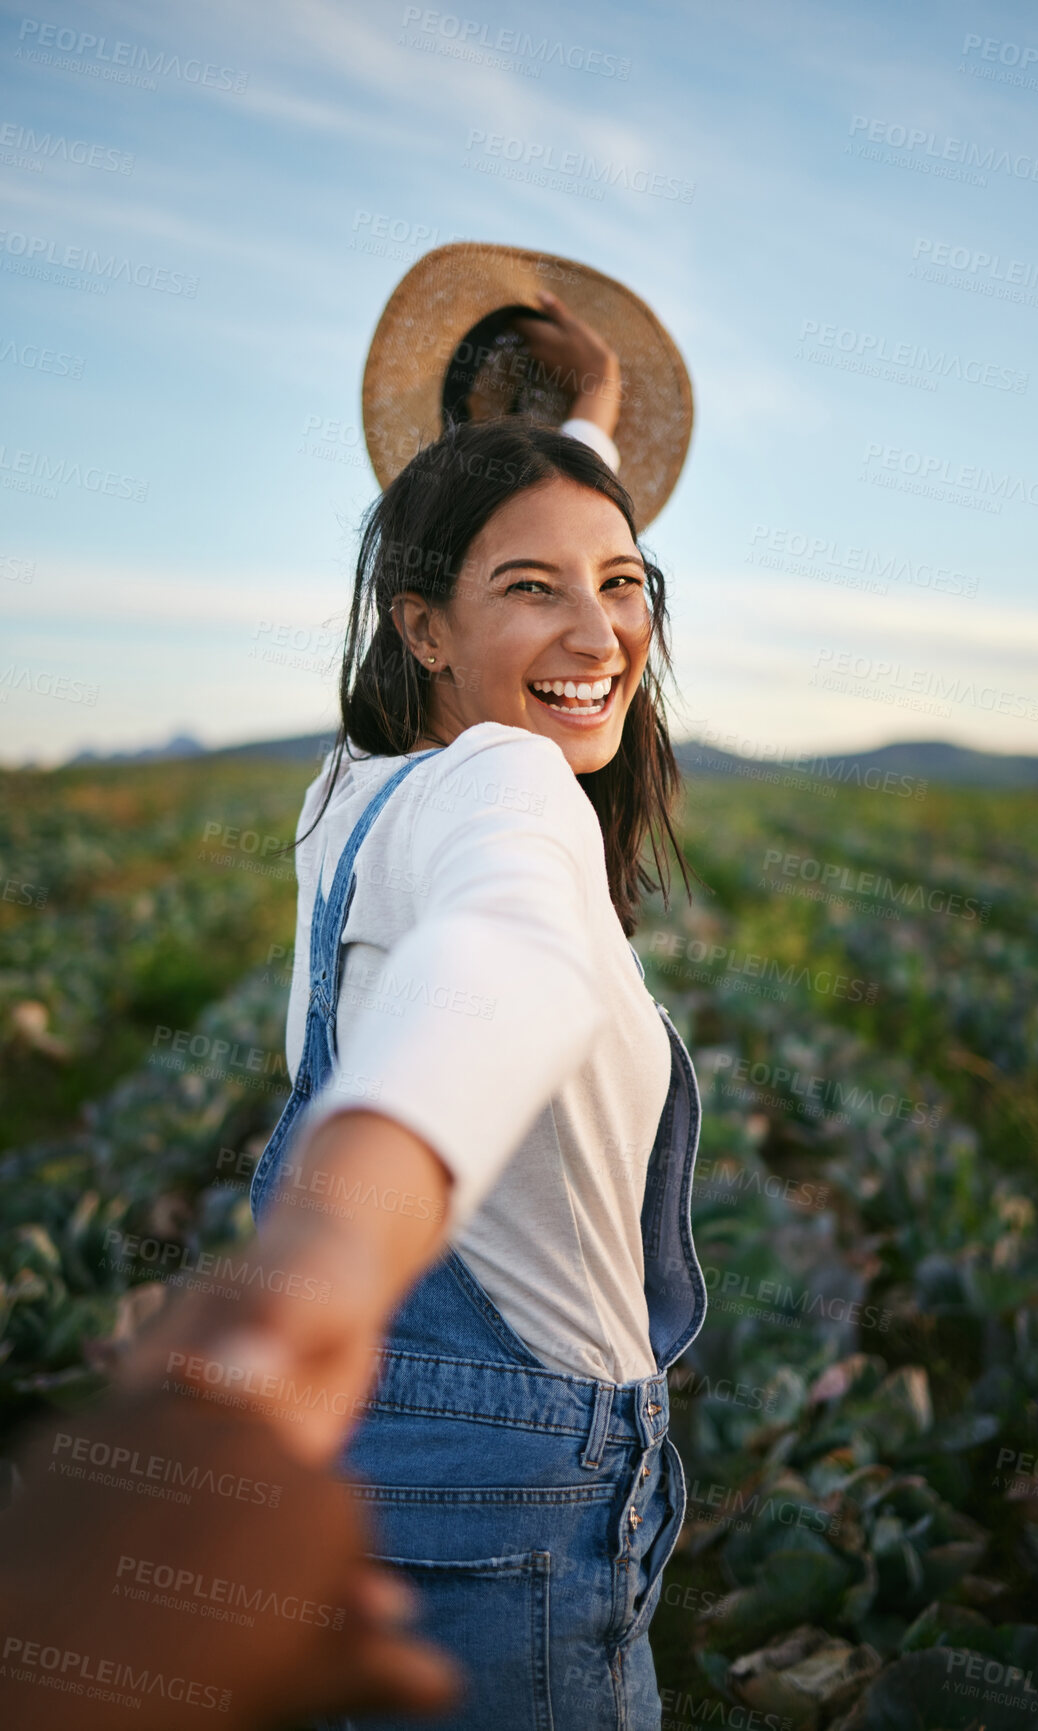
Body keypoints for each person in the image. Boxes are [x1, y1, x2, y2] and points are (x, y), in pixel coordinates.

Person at [0, 253, 701, 1731]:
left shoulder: (353, 797)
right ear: (422, 625)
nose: (600, 637)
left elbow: (530, 554)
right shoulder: (506, 787)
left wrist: (575, 424)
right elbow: (495, 970)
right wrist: (312, 1283)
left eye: (624, 585)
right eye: (532, 590)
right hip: (523, 1489)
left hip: (386, 1451)